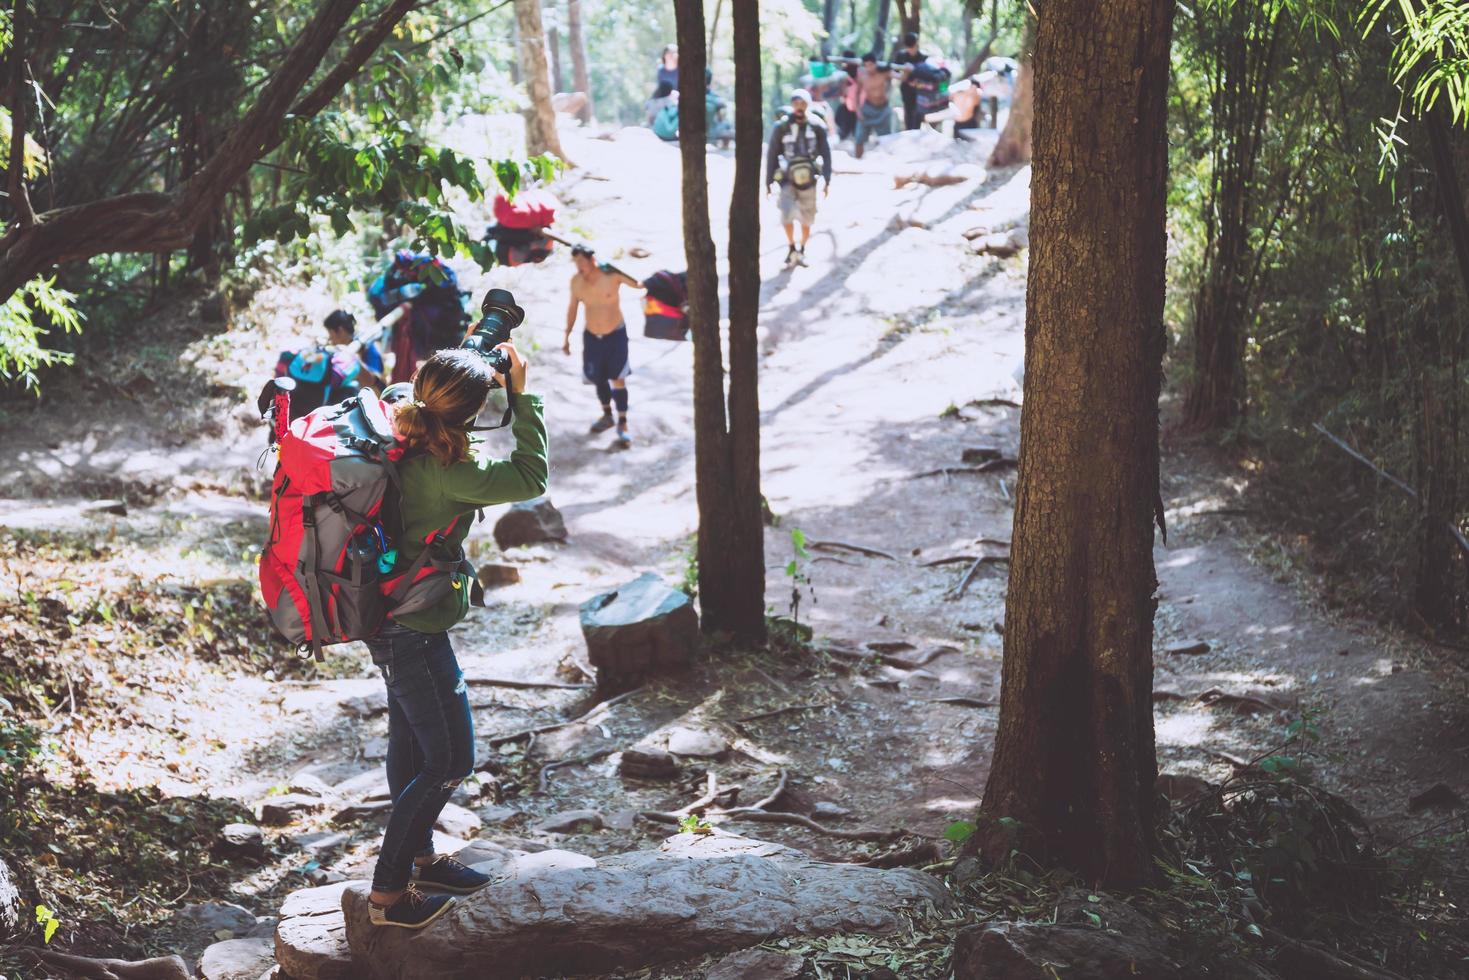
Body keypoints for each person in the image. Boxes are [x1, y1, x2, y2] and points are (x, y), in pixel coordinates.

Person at [366, 344, 547, 929]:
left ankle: (422, 860)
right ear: (470, 415)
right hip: (414, 631)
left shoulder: (398, 420)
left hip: (388, 618)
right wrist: (523, 395)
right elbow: (531, 475)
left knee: (411, 744)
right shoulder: (449, 475)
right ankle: (389, 897)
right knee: (449, 760)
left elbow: (432, 388)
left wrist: (471, 355)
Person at [564, 245, 641, 446]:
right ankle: (607, 415)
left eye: (582, 261)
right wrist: (567, 336)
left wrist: (615, 267)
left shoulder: (612, 276)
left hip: (615, 335)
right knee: (598, 378)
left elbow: (639, 284)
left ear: (592, 259)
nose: (579, 266)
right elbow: (572, 309)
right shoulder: (577, 281)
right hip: (592, 336)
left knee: (618, 378)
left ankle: (623, 422)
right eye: (576, 262)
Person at [765, 88, 832, 268]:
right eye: (796, 103)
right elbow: (772, 154)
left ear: (807, 104)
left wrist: (827, 179)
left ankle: (802, 249)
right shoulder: (781, 127)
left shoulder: (817, 126)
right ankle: (791, 247)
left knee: (807, 217)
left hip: (809, 180)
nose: (799, 107)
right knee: (786, 215)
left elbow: (826, 153)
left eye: (802, 103)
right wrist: (768, 182)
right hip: (787, 179)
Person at [325, 309, 385, 392]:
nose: (330, 339)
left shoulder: (367, 347)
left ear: (340, 330)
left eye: (330, 334)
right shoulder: (341, 351)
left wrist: (354, 361)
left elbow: (376, 382)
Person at [854, 54, 900, 159]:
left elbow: (901, 77)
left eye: (870, 65)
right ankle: (857, 162)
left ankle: (887, 162)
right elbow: (856, 94)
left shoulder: (885, 73)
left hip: (883, 110)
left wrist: (906, 69)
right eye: (866, 65)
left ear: (875, 64)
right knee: (859, 139)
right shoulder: (862, 77)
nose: (869, 68)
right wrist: (858, 111)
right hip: (867, 109)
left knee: (886, 139)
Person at [893, 31, 927, 130]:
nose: (911, 50)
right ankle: (908, 132)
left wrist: (918, 82)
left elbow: (927, 75)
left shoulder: (923, 57)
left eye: (913, 47)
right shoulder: (901, 56)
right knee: (908, 112)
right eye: (909, 47)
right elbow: (894, 72)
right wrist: (904, 77)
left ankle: (917, 131)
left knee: (919, 113)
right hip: (906, 89)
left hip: (920, 90)